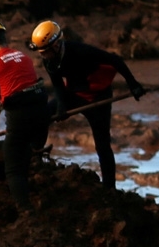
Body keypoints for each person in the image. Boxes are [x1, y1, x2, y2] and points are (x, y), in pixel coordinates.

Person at [29, 20, 147, 189]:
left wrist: (133, 85)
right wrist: (62, 106)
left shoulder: (80, 51)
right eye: (41, 52)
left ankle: (109, 188)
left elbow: (115, 60)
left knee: (102, 144)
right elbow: (58, 85)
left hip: (98, 97)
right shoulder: (49, 61)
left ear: (55, 45)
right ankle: (35, 158)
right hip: (74, 93)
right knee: (45, 115)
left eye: (45, 51)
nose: (43, 56)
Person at [0, 18, 50, 212]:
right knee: (28, 151)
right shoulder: (23, 55)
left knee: (12, 168)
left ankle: (25, 209)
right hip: (41, 109)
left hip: (20, 114)